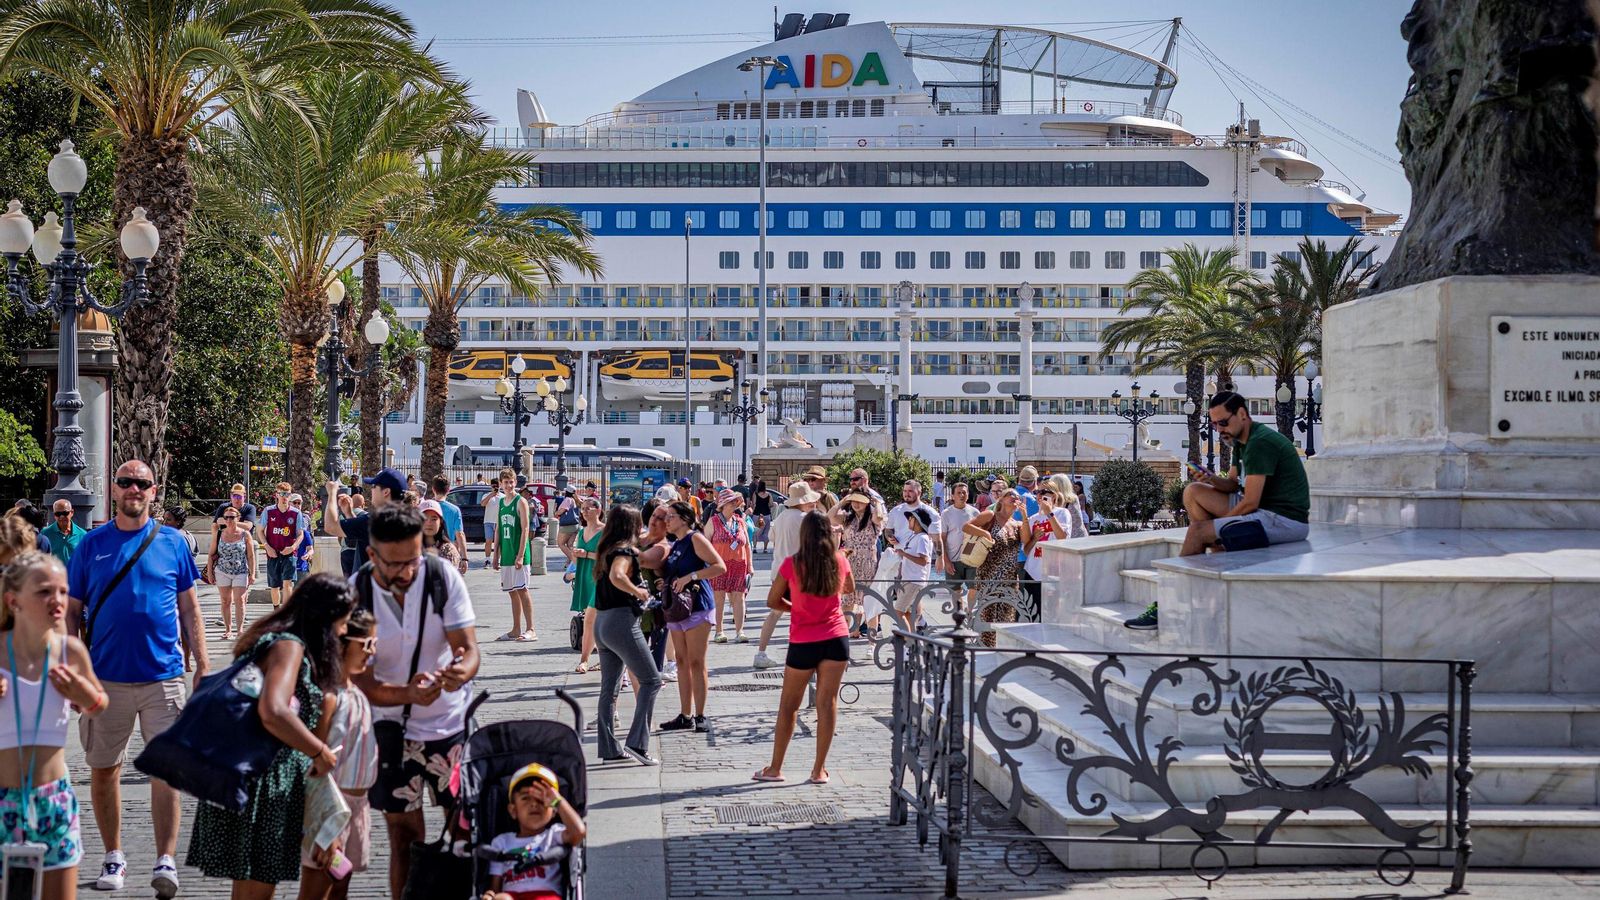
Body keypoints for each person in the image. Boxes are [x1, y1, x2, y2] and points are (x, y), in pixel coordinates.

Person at [68, 460, 206, 897]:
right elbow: (71, 614)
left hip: (163, 677)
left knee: (166, 771)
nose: (133, 489)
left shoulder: (172, 543)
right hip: (105, 679)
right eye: (126, 482)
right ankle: (114, 855)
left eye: (141, 483)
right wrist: (74, 671)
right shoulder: (92, 545)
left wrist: (202, 664)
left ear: (154, 489)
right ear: (114, 488)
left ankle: (165, 860)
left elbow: (190, 609)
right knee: (104, 769)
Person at [186, 573, 352, 896]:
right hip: (262, 782)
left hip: (256, 777)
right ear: (325, 618)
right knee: (256, 890)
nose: (343, 633)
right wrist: (318, 750)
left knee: (251, 889)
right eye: (342, 624)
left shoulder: (277, 640)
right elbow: (273, 710)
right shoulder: (289, 646)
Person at [350, 503, 479, 900]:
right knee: (403, 835)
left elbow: (469, 650)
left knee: (463, 829)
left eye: (414, 560)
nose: (407, 572)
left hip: (448, 727)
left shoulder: (441, 577)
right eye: (395, 564)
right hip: (389, 730)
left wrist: (460, 670)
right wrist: (407, 693)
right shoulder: (357, 593)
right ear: (372, 556)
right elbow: (358, 677)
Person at [1127, 391, 1311, 629]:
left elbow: (1251, 502)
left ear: (1242, 414)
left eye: (1223, 422)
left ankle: (1168, 606)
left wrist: (1214, 529)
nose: (1219, 429)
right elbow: (1233, 484)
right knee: (1193, 491)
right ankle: (1219, 551)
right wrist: (1211, 479)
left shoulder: (1259, 443)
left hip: (1284, 520)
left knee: (1198, 532)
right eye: (1214, 424)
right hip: (1262, 509)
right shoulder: (1240, 442)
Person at [0, 552, 109, 900]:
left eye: (63, 591)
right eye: (44, 591)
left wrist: (83, 694)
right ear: (13, 600)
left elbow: (99, 704)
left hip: (54, 800)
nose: (57, 600)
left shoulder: (70, 651)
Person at [752, 511, 852, 785]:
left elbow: (773, 600)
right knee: (827, 703)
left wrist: (795, 607)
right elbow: (850, 587)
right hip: (836, 636)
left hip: (804, 639)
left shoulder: (792, 563)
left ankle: (775, 768)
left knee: (788, 706)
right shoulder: (839, 560)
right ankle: (819, 770)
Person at [296, 607, 378, 900]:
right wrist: (324, 831)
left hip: (357, 807)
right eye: (367, 645)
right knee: (317, 891)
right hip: (331, 810)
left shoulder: (356, 692)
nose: (372, 652)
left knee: (340, 887)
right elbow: (312, 766)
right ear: (341, 643)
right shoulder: (330, 698)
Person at [590, 504, 661, 766]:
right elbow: (618, 575)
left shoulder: (607, 548)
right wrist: (638, 591)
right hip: (621, 622)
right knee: (652, 680)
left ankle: (609, 748)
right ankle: (637, 744)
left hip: (603, 623)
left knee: (609, 689)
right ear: (631, 525)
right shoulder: (623, 551)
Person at [656, 501, 725, 733]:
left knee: (697, 661)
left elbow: (719, 566)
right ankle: (685, 714)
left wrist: (691, 576)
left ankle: (701, 714)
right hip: (677, 607)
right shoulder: (674, 544)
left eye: (671, 517)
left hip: (697, 606)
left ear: (685, 519)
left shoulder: (695, 538)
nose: (667, 521)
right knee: (682, 661)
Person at [482, 763, 587, 900]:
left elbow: (578, 832)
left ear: (553, 810)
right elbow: (495, 886)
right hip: (511, 896)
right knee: (502, 898)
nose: (534, 804)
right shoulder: (502, 842)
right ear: (513, 810)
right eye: (525, 798)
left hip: (545, 896)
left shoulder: (553, 835)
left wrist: (557, 801)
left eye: (541, 799)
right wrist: (490, 895)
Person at [751, 482, 818, 669]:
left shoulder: (781, 518)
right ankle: (801, 653)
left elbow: (772, 538)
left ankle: (761, 652)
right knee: (803, 615)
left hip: (778, 570)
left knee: (774, 614)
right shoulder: (806, 519)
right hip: (799, 572)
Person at [962, 488, 1026, 645]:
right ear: (1002, 499)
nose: (1015, 497)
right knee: (988, 617)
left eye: (1017, 497)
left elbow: (1026, 541)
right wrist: (985, 533)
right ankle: (985, 651)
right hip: (988, 576)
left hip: (1009, 579)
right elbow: (966, 527)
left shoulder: (1017, 524)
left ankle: (1002, 651)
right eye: (1011, 494)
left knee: (1006, 619)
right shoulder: (991, 516)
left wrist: (1025, 516)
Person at [323, 468, 407, 578]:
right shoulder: (409, 519)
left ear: (386, 492)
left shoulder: (375, 521)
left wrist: (332, 493)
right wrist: (349, 513)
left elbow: (331, 527)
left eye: (374, 486)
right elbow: (363, 534)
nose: (371, 490)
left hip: (369, 589)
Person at [490, 468, 538, 642]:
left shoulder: (521, 502)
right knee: (512, 591)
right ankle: (516, 628)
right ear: (501, 484)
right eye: (505, 482)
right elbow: (498, 530)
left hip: (519, 553)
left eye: (511, 482)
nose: (509, 485)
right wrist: (496, 555)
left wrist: (520, 555)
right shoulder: (502, 503)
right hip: (506, 554)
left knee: (522, 589)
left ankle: (531, 629)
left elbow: (525, 528)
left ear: (515, 482)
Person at [831, 492, 883, 639]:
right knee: (847, 599)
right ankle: (845, 633)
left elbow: (878, 517)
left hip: (868, 562)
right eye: (854, 501)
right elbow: (830, 516)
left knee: (868, 601)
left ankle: (871, 641)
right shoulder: (847, 518)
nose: (856, 503)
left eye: (860, 501)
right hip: (850, 562)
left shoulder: (873, 518)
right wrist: (843, 502)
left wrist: (876, 503)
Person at [704, 489, 752, 644]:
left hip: (739, 564)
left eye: (736, 501)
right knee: (719, 598)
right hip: (719, 565)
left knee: (739, 598)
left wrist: (750, 566)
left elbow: (747, 546)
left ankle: (740, 631)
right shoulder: (713, 521)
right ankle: (719, 631)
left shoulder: (740, 521)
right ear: (723, 504)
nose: (735, 504)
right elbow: (704, 544)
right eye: (732, 501)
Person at [1022, 484, 1076, 610]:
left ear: (1054, 495)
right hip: (1033, 572)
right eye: (1037, 492)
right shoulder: (1033, 519)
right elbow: (1026, 550)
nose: (1040, 495)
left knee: (1053, 612)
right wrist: (1034, 538)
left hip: (1054, 571)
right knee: (1034, 613)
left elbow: (1062, 537)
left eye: (1044, 491)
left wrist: (1049, 513)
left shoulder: (1063, 513)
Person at [212, 503, 258, 640]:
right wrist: (209, 572)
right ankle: (228, 630)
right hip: (222, 570)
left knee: (240, 600)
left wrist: (253, 573)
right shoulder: (219, 533)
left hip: (240, 570)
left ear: (238, 518)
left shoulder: (245, 534)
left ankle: (240, 630)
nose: (229, 520)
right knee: (226, 601)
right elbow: (211, 554)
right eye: (226, 517)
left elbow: (250, 556)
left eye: (232, 517)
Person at [884, 508, 934, 631]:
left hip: (914, 581)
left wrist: (904, 554)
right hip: (908, 580)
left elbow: (924, 561)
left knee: (898, 612)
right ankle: (913, 644)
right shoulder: (915, 536)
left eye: (910, 518)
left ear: (917, 521)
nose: (908, 521)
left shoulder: (922, 538)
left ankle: (909, 641)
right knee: (908, 614)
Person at [570, 498, 604, 674]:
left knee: (590, 618)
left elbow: (608, 557)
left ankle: (584, 660)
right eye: (582, 508)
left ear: (598, 510)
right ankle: (602, 658)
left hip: (599, 578)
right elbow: (576, 558)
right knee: (594, 620)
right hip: (584, 576)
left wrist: (587, 554)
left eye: (587, 508)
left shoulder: (605, 530)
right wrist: (575, 554)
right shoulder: (582, 531)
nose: (584, 511)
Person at [263, 482, 304, 609]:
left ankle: (285, 612)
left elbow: (300, 534)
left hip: (289, 553)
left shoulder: (296, 513)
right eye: (281, 494)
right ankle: (276, 609)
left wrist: (293, 547)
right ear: (277, 495)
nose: (284, 496)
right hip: (273, 553)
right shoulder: (268, 511)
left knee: (288, 583)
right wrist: (267, 547)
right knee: (274, 586)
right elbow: (259, 530)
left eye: (287, 494)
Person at [940, 482, 979, 608]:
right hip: (953, 558)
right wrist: (946, 560)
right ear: (953, 496)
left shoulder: (975, 512)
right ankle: (960, 617)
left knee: (974, 588)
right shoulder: (946, 514)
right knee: (955, 591)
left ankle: (969, 613)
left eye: (964, 492)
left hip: (971, 558)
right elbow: (942, 538)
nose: (962, 495)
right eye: (959, 493)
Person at [429, 476, 469, 575]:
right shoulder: (454, 510)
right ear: (448, 490)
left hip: (429, 553)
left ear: (433, 489)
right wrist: (464, 558)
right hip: (447, 553)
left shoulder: (426, 507)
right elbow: (460, 534)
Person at [44, 499, 87, 566]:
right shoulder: (45, 534)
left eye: (65, 513)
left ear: (72, 512)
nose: (61, 517)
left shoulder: (82, 535)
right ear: (54, 515)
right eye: (58, 514)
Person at [419, 499, 461, 568]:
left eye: (434, 519)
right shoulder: (411, 547)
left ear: (440, 522)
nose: (429, 523)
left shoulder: (448, 550)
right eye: (424, 518)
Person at [289, 493, 315, 582]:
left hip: (302, 559)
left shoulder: (306, 517)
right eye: (294, 502)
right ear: (289, 503)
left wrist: (309, 554)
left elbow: (310, 534)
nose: (297, 505)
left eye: (299, 503)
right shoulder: (284, 517)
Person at [554, 488, 580, 564]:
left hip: (567, 526)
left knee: (561, 544)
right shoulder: (575, 500)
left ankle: (575, 561)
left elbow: (562, 510)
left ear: (566, 492)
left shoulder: (568, 499)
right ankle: (569, 563)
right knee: (570, 545)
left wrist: (556, 513)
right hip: (575, 525)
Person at [750, 479, 772, 552]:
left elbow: (754, 504)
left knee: (755, 532)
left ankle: (755, 548)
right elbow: (771, 504)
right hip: (766, 515)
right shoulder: (769, 494)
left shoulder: (755, 494)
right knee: (766, 532)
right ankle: (765, 549)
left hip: (757, 515)